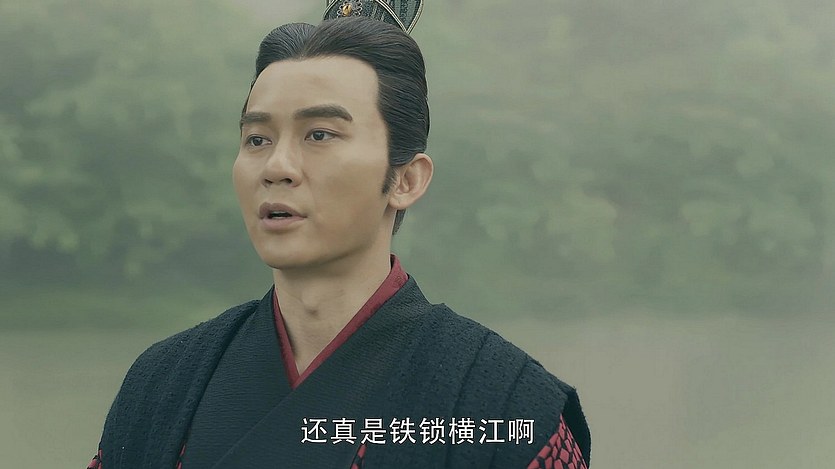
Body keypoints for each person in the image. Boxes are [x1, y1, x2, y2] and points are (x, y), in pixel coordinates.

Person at [89, 2, 590, 468]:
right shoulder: (162, 382)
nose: (277, 167)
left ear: (405, 179)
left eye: (320, 135)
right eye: (257, 139)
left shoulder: (502, 404)